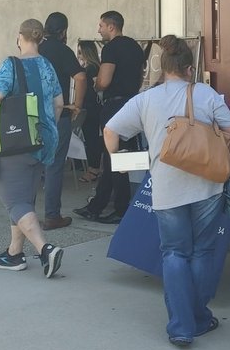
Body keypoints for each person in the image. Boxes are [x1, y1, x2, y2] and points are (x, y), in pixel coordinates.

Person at [104, 35, 230, 345]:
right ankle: (200, 316)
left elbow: (111, 130)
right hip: (207, 184)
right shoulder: (206, 94)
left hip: (166, 186)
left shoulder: (145, 99)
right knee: (203, 250)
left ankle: (181, 327)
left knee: (175, 252)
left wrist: (119, 159)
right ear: (190, 69)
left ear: (163, 68)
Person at [0, 18, 65, 277]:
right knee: (25, 198)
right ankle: (15, 253)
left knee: (14, 200)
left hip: (15, 142)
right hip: (42, 141)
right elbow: (59, 103)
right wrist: (46, 127)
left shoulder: (11, 65)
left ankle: (45, 249)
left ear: (20, 37)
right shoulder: (48, 66)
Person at [74, 11, 146, 224]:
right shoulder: (135, 47)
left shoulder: (111, 48)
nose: (99, 30)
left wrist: (96, 85)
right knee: (116, 155)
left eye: (101, 26)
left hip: (114, 104)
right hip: (132, 103)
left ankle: (121, 208)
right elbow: (140, 76)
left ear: (111, 26)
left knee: (116, 155)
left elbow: (104, 81)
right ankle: (98, 204)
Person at [35, 12, 86, 229]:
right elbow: (81, 77)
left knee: (32, 165)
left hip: (33, 114)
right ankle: (52, 215)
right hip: (57, 114)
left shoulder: (35, 49)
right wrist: (77, 104)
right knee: (55, 166)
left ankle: (24, 215)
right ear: (64, 31)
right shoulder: (62, 50)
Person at [76, 39, 102, 181]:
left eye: (80, 52)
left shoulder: (91, 69)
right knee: (94, 139)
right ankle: (95, 168)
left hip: (90, 107)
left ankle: (93, 169)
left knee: (92, 139)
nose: (79, 55)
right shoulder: (95, 67)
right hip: (94, 107)